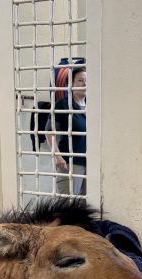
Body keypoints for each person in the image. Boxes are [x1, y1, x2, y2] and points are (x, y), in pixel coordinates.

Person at [47, 66, 87, 196]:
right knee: (67, 205)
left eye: (87, 80)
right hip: (71, 163)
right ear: (71, 83)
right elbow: (49, 131)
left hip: (91, 163)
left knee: (87, 206)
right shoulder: (63, 105)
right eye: (81, 80)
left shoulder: (93, 105)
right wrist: (58, 157)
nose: (85, 84)